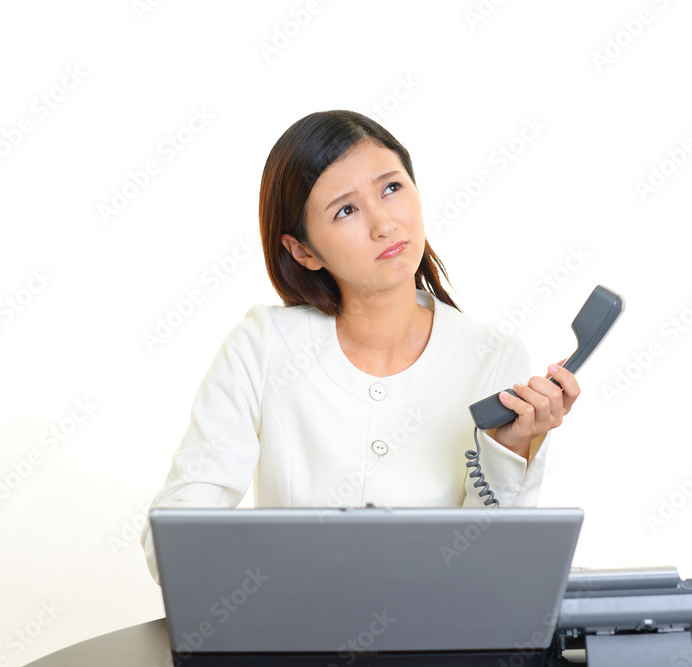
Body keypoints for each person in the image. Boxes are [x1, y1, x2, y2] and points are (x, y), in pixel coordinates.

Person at [139, 110, 580, 584]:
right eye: (345, 210)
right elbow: (176, 539)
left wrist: (509, 449)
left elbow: (494, 570)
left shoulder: (492, 356)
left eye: (391, 188)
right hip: (296, 625)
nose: (384, 224)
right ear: (303, 251)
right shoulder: (263, 346)